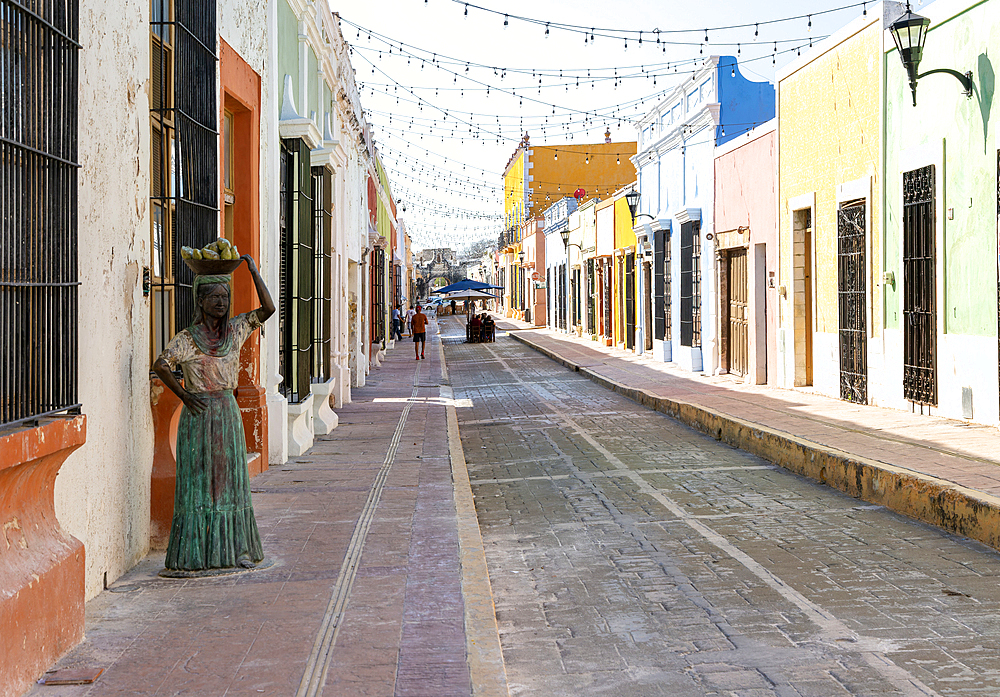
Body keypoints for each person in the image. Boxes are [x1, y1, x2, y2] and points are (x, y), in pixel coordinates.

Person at [152, 255, 275, 572]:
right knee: (198, 485)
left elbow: (268, 309)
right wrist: (182, 394)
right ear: (201, 301)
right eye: (215, 297)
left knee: (229, 484)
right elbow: (161, 365)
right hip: (198, 415)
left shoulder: (235, 331)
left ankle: (235, 551)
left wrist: (253, 271)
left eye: (225, 296)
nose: (221, 302)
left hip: (227, 415)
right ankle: (194, 555)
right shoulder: (187, 338)